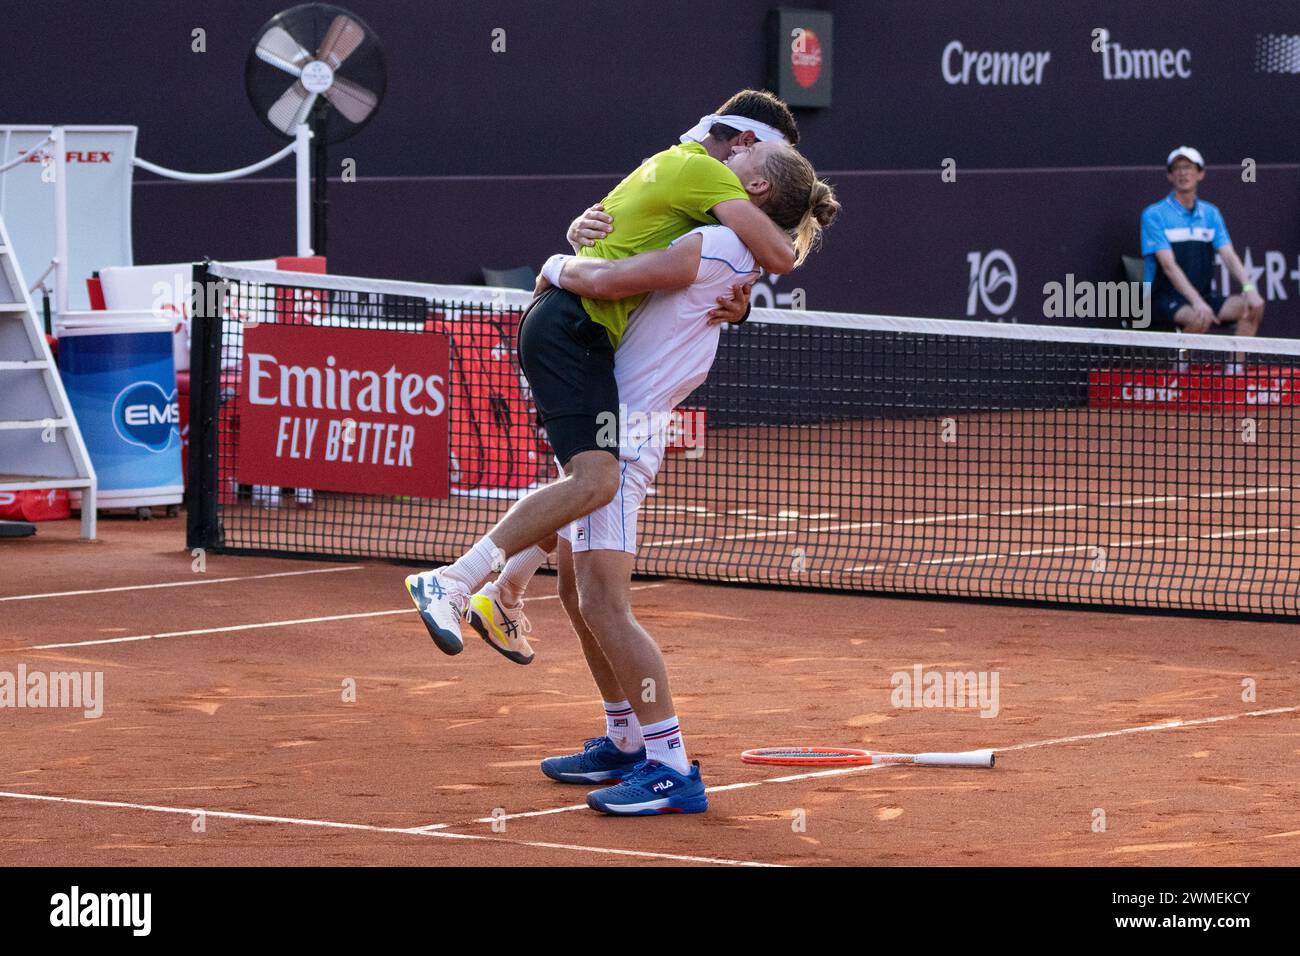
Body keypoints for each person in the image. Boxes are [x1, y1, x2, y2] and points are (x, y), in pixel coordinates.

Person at [466, 143, 840, 814]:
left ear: (752, 187)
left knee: (604, 603)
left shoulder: (717, 242)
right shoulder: (723, 242)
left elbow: (613, 282)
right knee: (582, 592)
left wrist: (556, 265)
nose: (734, 149)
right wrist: (587, 229)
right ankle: (626, 738)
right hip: (616, 418)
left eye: (748, 151)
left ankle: (669, 764)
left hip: (624, 431)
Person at [406, 91, 802, 654]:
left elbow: (636, 243)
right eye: (765, 160)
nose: (760, 177)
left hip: (587, 336)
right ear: (743, 143)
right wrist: (558, 262)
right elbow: (780, 255)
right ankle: (456, 581)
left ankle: (505, 592)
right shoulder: (703, 173)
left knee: (587, 486)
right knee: (595, 484)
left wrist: (741, 305)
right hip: (578, 328)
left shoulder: (677, 173)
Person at [1141, 146, 1265, 336]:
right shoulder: (1154, 214)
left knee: (1251, 306)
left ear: (1200, 174)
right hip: (1161, 298)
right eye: (1177, 168)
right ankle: (1179, 365)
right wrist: (1197, 302)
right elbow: (1168, 266)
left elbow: (1229, 256)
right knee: (1199, 317)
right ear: (1170, 176)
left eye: (1189, 167)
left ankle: (1235, 366)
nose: (1183, 173)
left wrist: (1249, 288)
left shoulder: (1211, 214)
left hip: (1203, 296)